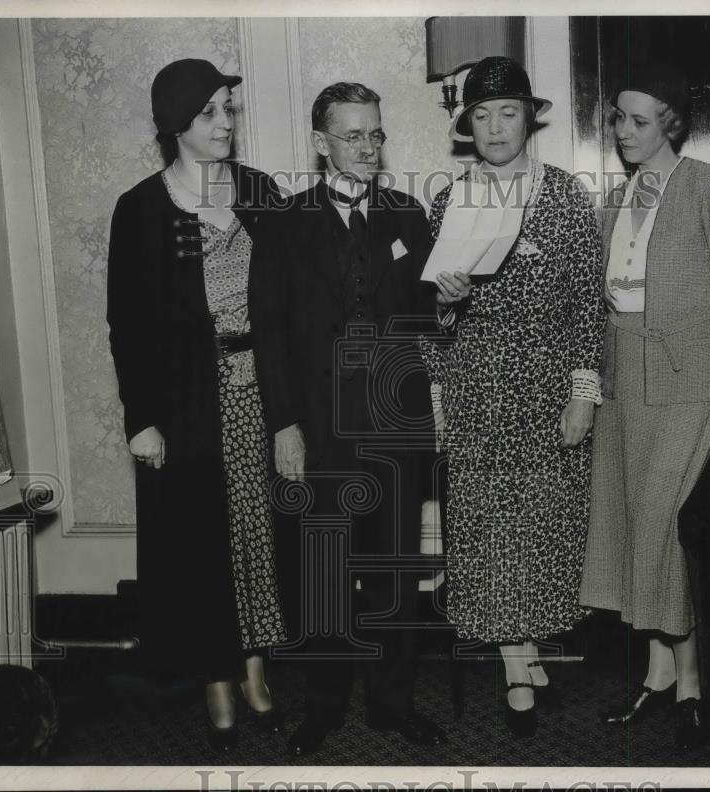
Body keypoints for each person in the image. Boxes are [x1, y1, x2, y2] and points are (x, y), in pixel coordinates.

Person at [249, 82, 446, 758]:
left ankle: (394, 705)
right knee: (322, 572)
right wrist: (284, 426)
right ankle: (323, 708)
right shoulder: (283, 221)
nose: (368, 147)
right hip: (318, 425)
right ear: (321, 142)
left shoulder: (408, 215)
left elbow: (427, 321)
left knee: (393, 571)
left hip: (396, 422)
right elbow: (268, 331)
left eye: (376, 134)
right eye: (354, 135)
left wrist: (449, 299)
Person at [420, 56, 605, 738]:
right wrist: (444, 311)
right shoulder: (450, 200)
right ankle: (516, 670)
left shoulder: (563, 197)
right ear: (466, 124)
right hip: (477, 387)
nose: (495, 126)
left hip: (550, 385)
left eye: (508, 112)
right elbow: (429, 318)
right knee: (489, 532)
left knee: (543, 529)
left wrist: (584, 392)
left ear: (529, 118)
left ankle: (527, 651)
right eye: (482, 114)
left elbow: (588, 303)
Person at [106, 58, 286, 753]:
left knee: (258, 539)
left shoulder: (261, 193)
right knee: (199, 544)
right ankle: (216, 675)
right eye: (209, 112)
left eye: (229, 110)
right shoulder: (144, 208)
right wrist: (141, 418)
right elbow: (129, 324)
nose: (224, 124)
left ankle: (254, 665)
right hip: (185, 405)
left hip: (260, 396)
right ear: (176, 122)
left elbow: (295, 291)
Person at [577, 64, 710, 751]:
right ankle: (657, 674)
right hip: (624, 377)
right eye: (618, 118)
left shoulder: (706, 187)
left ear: (671, 125)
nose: (624, 130)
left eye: (639, 120)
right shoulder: (615, 198)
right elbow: (598, 311)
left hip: (687, 381)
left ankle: (691, 682)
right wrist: (590, 396)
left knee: (659, 520)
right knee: (630, 526)